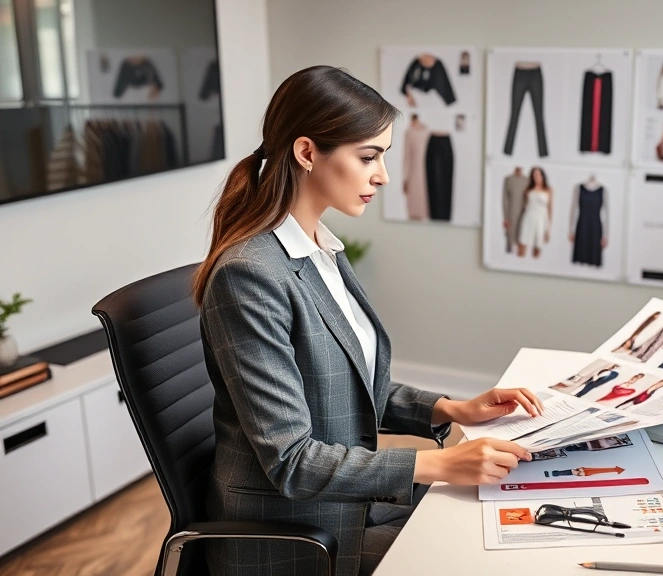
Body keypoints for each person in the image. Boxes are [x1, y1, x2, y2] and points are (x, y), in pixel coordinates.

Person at [191, 65, 543, 576]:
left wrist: (452, 409)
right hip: (294, 534)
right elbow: (292, 460)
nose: (381, 175)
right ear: (308, 152)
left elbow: (344, 384)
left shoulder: (321, 249)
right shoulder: (250, 275)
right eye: (368, 156)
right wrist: (439, 463)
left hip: (346, 504)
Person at [516, 166, 553, 258]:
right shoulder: (528, 189)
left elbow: (550, 209)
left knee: (538, 245)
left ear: (542, 175)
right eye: (534, 175)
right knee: (523, 242)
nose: (536, 177)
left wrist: (548, 229)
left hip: (541, 219)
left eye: (538, 174)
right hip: (528, 217)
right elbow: (522, 206)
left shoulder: (548, 190)